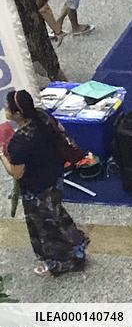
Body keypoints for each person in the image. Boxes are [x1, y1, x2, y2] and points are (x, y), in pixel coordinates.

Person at [1, 90, 89, 276]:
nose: (5, 109)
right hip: (55, 176)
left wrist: (2, 155)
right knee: (56, 212)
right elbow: (60, 131)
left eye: (8, 108)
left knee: (46, 226)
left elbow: (16, 173)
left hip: (37, 189)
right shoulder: (42, 116)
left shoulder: (19, 142)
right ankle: (76, 243)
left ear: (18, 114)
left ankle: (62, 262)